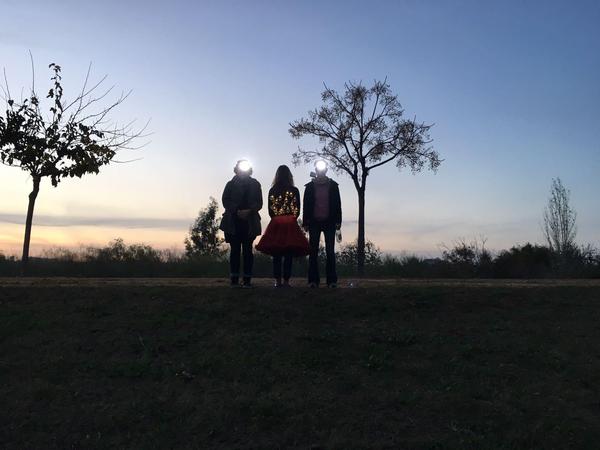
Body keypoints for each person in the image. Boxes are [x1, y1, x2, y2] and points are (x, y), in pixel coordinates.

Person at [256, 165, 309, 287]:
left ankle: (278, 281)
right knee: (288, 253)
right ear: (289, 176)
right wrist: (291, 218)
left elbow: (270, 210)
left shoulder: (273, 190)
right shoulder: (294, 190)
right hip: (290, 225)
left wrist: (277, 218)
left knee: (277, 253)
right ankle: (286, 281)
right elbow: (297, 208)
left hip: (276, 224)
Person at [219, 160, 263, 288]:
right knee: (235, 251)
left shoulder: (255, 184)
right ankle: (234, 279)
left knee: (248, 251)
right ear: (236, 169)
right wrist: (236, 211)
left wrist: (249, 211)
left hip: (250, 222)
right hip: (233, 222)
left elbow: (259, 202)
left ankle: (247, 280)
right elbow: (225, 200)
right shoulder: (230, 184)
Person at [302, 160, 342, 288]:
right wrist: (305, 222)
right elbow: (306, 205)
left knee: (330, 251)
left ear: (326, 170)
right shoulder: (310, 187)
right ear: (316, 170)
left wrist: (338, 221)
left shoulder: (333, 186)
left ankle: (332, 281)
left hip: (330, 222)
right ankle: (313, 280)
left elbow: (338, 204)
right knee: (313, 252)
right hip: (314, 222)